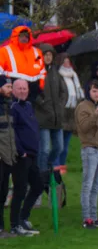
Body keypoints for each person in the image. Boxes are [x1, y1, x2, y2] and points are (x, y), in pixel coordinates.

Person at [9, 79, 43, 235]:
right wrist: (20, 150)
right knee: (20, 189)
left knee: (38, 185)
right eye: (19, 88)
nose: (22, 91)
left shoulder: (29, 106)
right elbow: (12, 131)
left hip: (33, 153)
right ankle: (15, 224)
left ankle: (23, 217)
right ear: (13, 90)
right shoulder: (13, 107)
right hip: (21, 155)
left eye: (25, 88)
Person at [75, 79, 98, 228]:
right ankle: (86, 218)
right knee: (88, 185)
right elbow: (83, 127)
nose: (97, 94)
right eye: (94, 91)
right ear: (88, 91)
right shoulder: (83, 107)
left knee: (96, 186)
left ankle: (94, 217)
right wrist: (95, 114)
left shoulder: (97, 107)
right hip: (90, 149)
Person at [33, 43, 67, 192]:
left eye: (50, 55)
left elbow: (64, 92)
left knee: (58, 147)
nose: (48, 57)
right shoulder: (36, 71)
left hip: (57, 118)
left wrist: (60, 105)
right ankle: (41, 175)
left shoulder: (55, 72)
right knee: (45, 149)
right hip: (42, 117)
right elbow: (33, 92)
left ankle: (46, 167)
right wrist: (42, 103)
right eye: (45, 54)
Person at [0, 26, 45, 100]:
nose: (24, 38)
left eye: (26, 36)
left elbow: (42, 72)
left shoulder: (37, 52)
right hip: (12, 92)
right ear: (16, 36)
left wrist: (41, 86)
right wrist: (4, 88)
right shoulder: (4, 51)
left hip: (33, 92)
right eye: (21, 36)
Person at [56, 54, 82, 171]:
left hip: (71, 114)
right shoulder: (57, 76)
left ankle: (62, 165)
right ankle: (56, 166)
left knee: (65, 145)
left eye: (68, 62)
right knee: (59, 144)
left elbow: (78, 95)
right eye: (64, 62)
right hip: (61, 113)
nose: (67, 64)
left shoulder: (74, 76)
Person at [0, 76, 16, 236]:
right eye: (8, 87)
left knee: (3, 193)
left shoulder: (10, 106)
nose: (10, 90)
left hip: (9, 157)